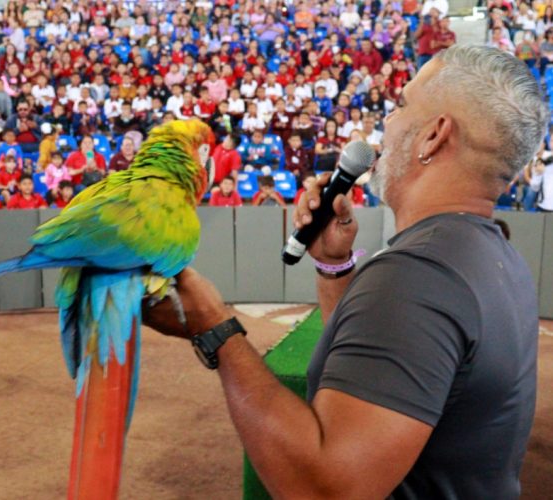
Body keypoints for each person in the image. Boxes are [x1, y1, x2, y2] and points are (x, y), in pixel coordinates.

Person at [142, 45, 546, 499]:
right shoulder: (493, 254)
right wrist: (333, 265)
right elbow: (382, 373)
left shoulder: (418, 277)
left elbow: (323, 489)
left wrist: (215, 328)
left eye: (401, 105)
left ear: (434, 136)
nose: (385, 124)